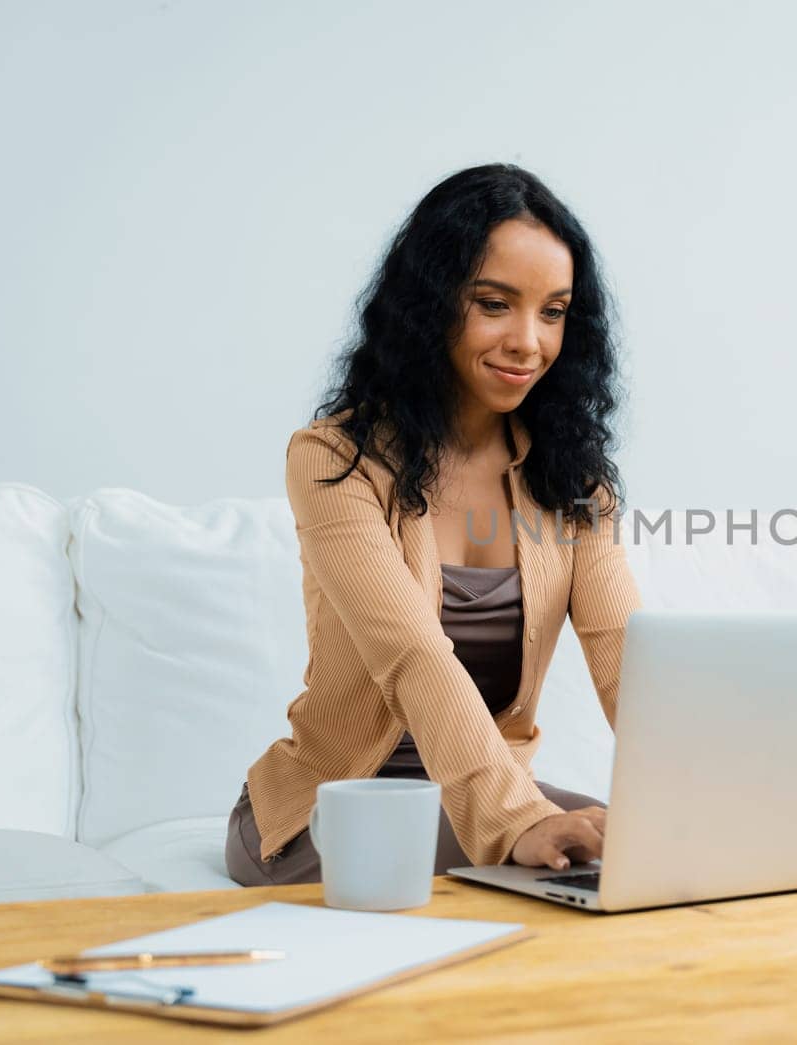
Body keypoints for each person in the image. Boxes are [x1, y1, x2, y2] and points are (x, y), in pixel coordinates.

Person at [225, 163, 640, 886]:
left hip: (484, 795)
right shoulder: (335, 461)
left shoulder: (575, 484)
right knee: (560, 861)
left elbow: (628, 661)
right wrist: (520, 821)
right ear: (431, 305)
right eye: (494, 304)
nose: (528, 341)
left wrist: (712, 790)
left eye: (553, 311)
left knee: (630, 842)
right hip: (336, 808)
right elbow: (413, 653)